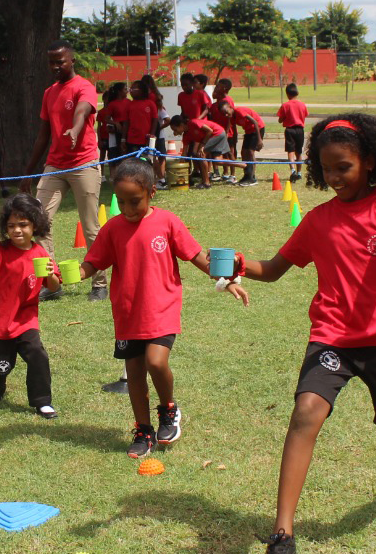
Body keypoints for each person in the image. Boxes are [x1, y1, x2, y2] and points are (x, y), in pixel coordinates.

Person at [236, 114, 376, 554]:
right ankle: (282, 537)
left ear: (369, 162)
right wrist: (228, 262)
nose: (334, 178)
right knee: (305, 413)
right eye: (327, 169)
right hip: (332, 337)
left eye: (344, 167)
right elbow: (271, 269)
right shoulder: (317, 221)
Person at [76, 157, 249, 458]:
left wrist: (226, 280)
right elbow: (92, 263)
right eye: (121, 201)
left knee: (155, 362)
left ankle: (168, 410)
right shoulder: (113, 228)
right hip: (127, 313)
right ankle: (143, 430)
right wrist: (68, 275)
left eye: (135, 201)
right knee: (134, 372)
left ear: (152, 193)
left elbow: (197, 257)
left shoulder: (167, 222)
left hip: (161, 308)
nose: (128, 209)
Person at [22, 41, 106, 301]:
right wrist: (28, 171)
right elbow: (43, 135)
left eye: (60, 61)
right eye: (52, 62)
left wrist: (75, 129)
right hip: (55, 165)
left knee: (91, 226)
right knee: (39, 221)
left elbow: (82, 110)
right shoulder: (49, 93)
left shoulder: (84, 87)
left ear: (72, 61)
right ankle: (53, 282)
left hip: (84, 163)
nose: (56, 67)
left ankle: (100, 284)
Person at [0, 193, 61, 418]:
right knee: (1, 366)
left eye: (23, 225)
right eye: (11, 226)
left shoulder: (40, 253)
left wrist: (50, 276)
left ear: (35, 226)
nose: (17, 230)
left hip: (25, 320)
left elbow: (55, 285)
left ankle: (42, 401)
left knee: (38, 356)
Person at [169, 113, 228, 189]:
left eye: (175, 129)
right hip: (212, 136)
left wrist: (202, 145)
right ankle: (244, 165)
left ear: (181, 125)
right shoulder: (186, 136)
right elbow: (184, 152)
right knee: (217, 161)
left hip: (217, 133)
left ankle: (206, 183)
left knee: (201, 155)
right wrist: (179, 166)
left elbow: (210, 131)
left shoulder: (193, 123)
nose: (175, 133)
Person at [277, 83, 308, 182]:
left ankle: (293, 170)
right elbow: (305, 115)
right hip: (300, 130)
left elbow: (280, 120)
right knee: (298, 152)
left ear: (287, 94)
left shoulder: (285, 105)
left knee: (290, 151)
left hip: (290, 130)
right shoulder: (302, 104)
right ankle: (299, 173)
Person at [232, 104, 266, 186]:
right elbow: (234, 129)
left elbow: (255, 122)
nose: (226, 114)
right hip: (248, 132)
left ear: (230, 108)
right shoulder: (231, 117)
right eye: (224, 113)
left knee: (250, 152)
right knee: (243, 152)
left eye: (226, 112)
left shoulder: (239, 111)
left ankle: (252, 177)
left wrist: (259, 139)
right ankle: (247, 175)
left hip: (257, 129)